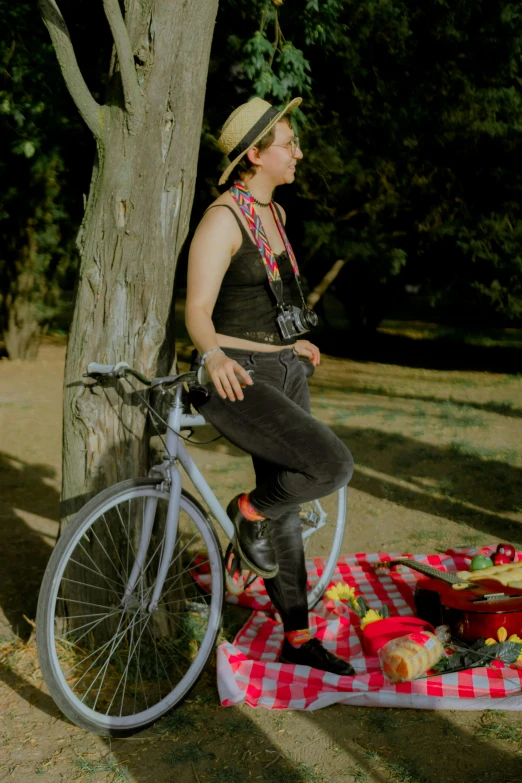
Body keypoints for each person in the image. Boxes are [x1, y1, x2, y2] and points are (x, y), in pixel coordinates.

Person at [185, 96, 355, 676]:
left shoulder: (274, 215)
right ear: (255, 154)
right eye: (289, 144)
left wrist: (294, 342)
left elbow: (269, 302)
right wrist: (211, 356)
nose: (298, 153)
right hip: (235, 376)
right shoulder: (221, 219)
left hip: (282, 368)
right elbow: (199, 311)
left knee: (291, 501)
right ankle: (246, 512)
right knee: (330, 467)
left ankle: (297, 637)